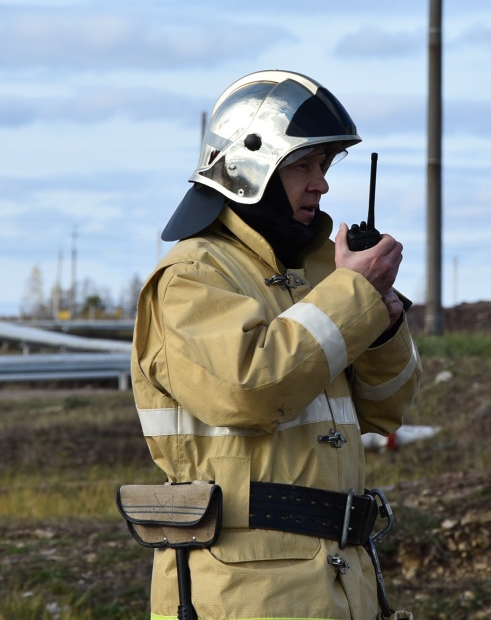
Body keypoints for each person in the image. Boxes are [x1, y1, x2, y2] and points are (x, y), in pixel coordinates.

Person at [131, 69, 422, 620]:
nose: (322, 185)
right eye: (304, 166)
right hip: (243, 596)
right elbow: (250, 390)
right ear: (249, 167)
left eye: (324, 166)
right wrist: (352, 297)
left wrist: (381, 324)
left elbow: (388, 411)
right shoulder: (192, 276)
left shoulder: (320, 279)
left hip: (340, 585)